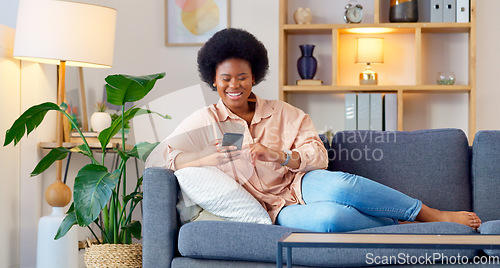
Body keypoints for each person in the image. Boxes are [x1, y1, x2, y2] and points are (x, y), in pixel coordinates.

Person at [157, 27, 481, 232]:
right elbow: (166, 157)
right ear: (213, 80)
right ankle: (395, 223)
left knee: (342, 188)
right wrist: (206, 155)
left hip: (302, 181)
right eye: (225, 79)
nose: (234, 85)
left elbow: (319, 155)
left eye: (242, 77)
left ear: (254, 76)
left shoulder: (285, 112)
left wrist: (280, 155)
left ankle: (429, 213)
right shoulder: (205, 120)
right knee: (331, 220)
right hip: (274, 208)